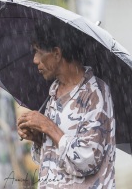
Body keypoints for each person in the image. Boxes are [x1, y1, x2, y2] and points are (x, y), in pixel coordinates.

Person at [17, 18, 116, 189]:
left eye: (39, 52)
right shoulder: (53, 91)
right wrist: (39, 139)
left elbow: (87, 161)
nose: (34, 60)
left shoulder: (95, 93)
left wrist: (48, 126)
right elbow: (52, 160)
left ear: (56, 53)